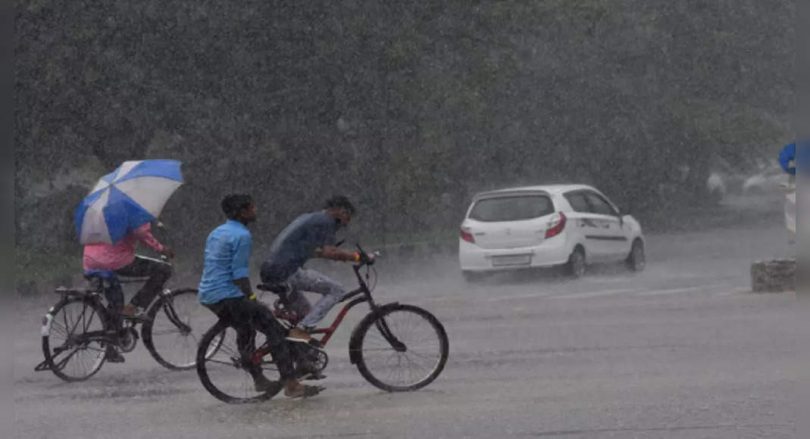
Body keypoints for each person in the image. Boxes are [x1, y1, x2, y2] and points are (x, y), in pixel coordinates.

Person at [198, 194, 321, 398]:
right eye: (252, 208)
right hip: (229, 295)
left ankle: (258, 379)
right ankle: (291, 383)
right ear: (242, 212)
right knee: (274, 329)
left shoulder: (217, 232)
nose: (256, 210)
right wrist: (252, 298)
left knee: (245, 328)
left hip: (209, 295)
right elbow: (239, 274)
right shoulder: (242, 236)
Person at [260, 195, 373, 344]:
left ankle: (299, 351)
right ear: (341, 211)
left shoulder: (310, 218)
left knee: (306, 312)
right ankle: (302, 330)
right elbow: (329, 252)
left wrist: (344, 256)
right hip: (286, 272)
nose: (343, 225)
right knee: (337, 290)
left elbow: (314, 251)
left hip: (272, 269)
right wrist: (358, 257)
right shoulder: (326, 222)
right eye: (347, 219)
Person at [83, 221, 174, 362]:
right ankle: (134, 308)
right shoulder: (130, 211)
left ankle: (111, 345)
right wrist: (161, 248)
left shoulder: (100, 213)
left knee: (116, 303)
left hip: (91, 261)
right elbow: (141, 232)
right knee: (163, 270)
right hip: (113, 261)